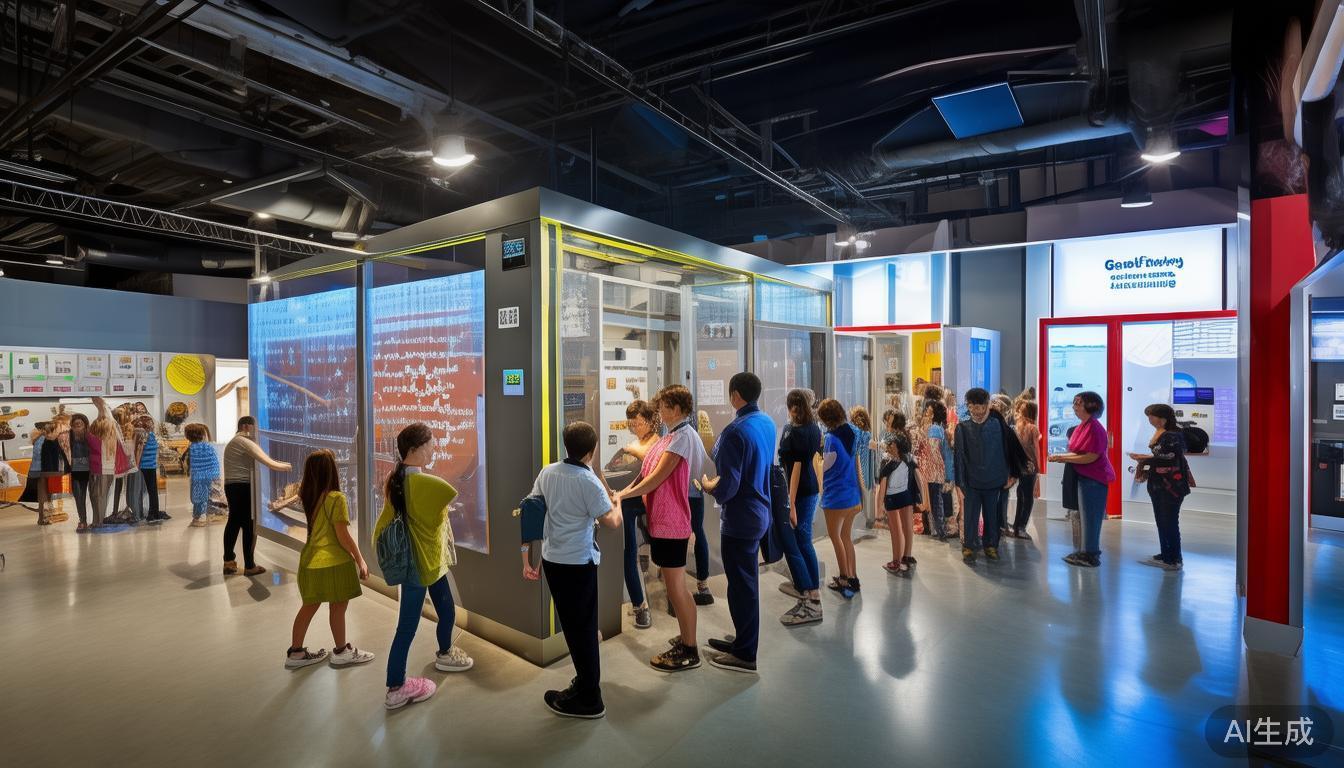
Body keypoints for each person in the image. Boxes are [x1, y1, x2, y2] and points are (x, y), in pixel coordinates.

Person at [375, 423, 474, 711]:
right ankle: (396, 687)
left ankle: (445, 652)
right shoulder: (428, 485)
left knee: (446, 610)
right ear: (415, 449)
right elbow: (447, 497)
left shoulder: (396, 481)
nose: (434, 449)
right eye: (431, 444)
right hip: (421, 565)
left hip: (429, 563)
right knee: (407, 626)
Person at [529, 421, 623, 718]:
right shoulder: (588, 481)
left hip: (553, 560)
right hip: (578, 563)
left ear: (566, 445)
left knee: (573, 626)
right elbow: (611, 522)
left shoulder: (548, 472)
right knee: (583, 629)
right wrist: (618, 503)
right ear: (592, 451)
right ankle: (590, 698)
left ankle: (584, 683)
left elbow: (534, 508)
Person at [617, 385, 701, 672]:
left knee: (677, 589)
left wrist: (623, 496)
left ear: (676, 409)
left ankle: (689, 649)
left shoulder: (682, 438)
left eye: (664, 407)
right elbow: (646, 474)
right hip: (663, 521)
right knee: (676, 588)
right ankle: (687, 637)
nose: (659, 412)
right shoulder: (672, 436)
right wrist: (624, 492)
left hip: (671, 522)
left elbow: (656, 479)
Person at [272, 449, 374, 670]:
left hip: (309, 560)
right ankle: (342, 652)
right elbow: (343, 536)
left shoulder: (308, 496)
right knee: (338, 608)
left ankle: (296, 653)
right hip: (335, 562)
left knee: (308, 606)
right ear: (331, 471)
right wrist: (360, 559)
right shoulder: (336, 498)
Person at [700, 372, 774, 673]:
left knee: (741, 587)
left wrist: (709, 487)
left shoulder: (734, 432)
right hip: (760, 512)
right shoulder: (766, 422)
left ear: (734, 396)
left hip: (740, 518)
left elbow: (728, 485)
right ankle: (743, 640)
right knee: (747, 583)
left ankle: (745, 654)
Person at [953, 388, 1020, 565]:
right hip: (971, 481)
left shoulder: (997, 425)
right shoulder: (962, 427)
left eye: (980, 406)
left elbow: (1007, 451)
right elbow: (959, 456)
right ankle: (969, 547)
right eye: (972, 406)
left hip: (995, 480)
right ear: (968, 406)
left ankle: (991, 546)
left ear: (987, 405)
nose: (976, 410)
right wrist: (959, 483)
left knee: (992, 516)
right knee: (970, 516)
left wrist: (1011, 474)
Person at [1048, 392, 1115, 568]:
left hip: (1093, 479)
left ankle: (1091, 554)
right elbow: (1078, 453)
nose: (1074, 407)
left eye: (1078, 403)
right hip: (1083, 478)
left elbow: (1091, 456)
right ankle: (1084, 551)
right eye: (1075, 403)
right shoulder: (1082, 426)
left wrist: (1063, 458)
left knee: (1091, 519)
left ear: (1090, 406)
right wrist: (1062, 457)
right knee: (1083, 517)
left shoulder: (1094, 428)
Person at [610, 400, 659, 629]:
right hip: (629, 502)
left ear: (649, 421)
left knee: (662, 556)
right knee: (628, 552)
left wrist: (633, 451)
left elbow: (650, 464)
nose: (635, 427)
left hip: (651, 503)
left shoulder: (656, 442)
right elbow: (615, 466)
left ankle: (669, 601)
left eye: (638, 422)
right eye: (632, 423)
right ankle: (640, 605)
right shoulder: (633, 444)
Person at [222, 416, 292, 577]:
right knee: (248, 525)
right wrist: (288, 467)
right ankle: (249, 565)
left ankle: (229, 562)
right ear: (247, 426)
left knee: (234, 522)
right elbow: (268, 462)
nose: (256, 431)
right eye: (255, 427)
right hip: (242, 487)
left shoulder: (235, 441)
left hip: (233, 486)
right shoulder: (243, 441)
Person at [776, 388, 823, 626]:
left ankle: (811, 596)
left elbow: (795, 469)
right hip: (809, 489)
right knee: (803, 541)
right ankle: (810, 590)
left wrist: (791, 503)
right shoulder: (812, 428)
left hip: (800, 492)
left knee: (798, 542)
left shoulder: (795, 431)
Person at [1128, 404, 1191, 571]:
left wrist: (1145, 459)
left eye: (1152, 416)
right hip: (1161, 484)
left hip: (1170, 486)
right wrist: (1146, 457)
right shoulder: (1164, 433)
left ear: (1163, 418)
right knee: (1163, 520)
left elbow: (1169, 456)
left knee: (1168, 521)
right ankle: (1166, 554)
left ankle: (1173, 559)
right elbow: (1164, 456)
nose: (1149, 419)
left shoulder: (1171, 435)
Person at [818, 398, 863, 598]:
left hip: (836, 495)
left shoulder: (831, 438)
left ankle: (844, 578)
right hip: (852, 494)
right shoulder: (852, 432)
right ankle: (853, 577)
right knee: (846, 537)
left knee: (836, 538)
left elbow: (826, 466)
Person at [87, 397, 131, 530]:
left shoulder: (105, 428)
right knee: (99, 495)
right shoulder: (110, 428)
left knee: (98, 495)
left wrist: (101, 406)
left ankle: (98, 521)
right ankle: (97, 521)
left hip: (102, 467)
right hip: (102, 467)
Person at [878, 433, 917, 576]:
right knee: (905, 527)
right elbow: (919, 479)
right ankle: (905, 557)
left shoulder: (889, 463)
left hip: (893, 498)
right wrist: (924, 499)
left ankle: (897, 561)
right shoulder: (909, 460)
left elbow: (882, 486)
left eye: (892, 444)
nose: (890, 446)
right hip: (906, 497)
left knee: (896, 531)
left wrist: (879, 508)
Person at [915, 400, 954, 541]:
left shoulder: (934, 429)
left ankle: (939, 531)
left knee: (934, 501)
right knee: (935, 500)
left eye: (929, 410)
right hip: (936, 470)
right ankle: (937, 530)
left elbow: (933, 452)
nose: (926, 412)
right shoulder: (939, 428)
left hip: (933, 471)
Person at [1008, 401, 1042, 540]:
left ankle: (1017, 525)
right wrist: (1038, 469)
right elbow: (1036, 450)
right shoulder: (1033, 428)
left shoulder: (1018, 427)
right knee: (1028, 498)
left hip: (1018, 465)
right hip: (1030, 466)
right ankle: (1021, 527)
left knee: (1020, 494)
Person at [183, 423, 219, 528]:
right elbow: (214, 461)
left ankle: (198, 517)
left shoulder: (191, 448)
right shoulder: (208, 447)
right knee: (206, 496)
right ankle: (202, 516)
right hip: (209, 475)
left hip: (197, 476)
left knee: (197, 497)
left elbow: (187, 463)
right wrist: (215, 475)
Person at [62, 414, 94, 531]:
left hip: (88, 469)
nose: (78, 425)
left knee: (89, 496)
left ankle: (91, 520)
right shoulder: (69, 435)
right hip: (75, 470)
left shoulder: (89, 434)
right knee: (78, 496)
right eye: (75, 424)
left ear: (85, 424)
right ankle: (82, 520)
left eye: (80, 423)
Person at [134, 415, 166, 523]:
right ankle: (153, 512)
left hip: (145, 466)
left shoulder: (144, 436)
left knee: (146, 491)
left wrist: (136, 465)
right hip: (150, 466)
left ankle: (150, 513)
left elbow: (139, 451)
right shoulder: (152, 436)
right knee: (152, 491)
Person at [850, 405, 875, 526]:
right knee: (864, 497)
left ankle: (857, 521)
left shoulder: (853, 433)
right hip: (865, 469)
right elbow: (871, 456)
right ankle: (865, 520)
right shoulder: (867, 434)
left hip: (854, 468)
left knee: (856, 496)